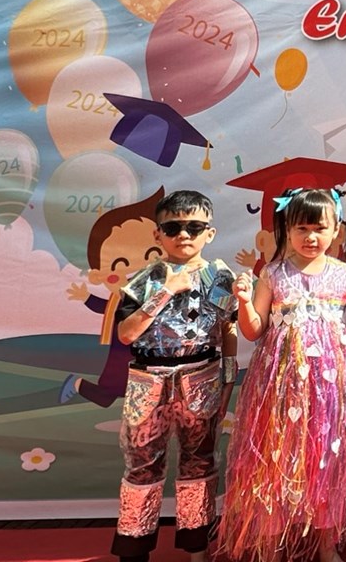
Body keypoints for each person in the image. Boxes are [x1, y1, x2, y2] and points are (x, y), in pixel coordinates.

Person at [221, 187, 346, 562]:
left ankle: (327, 545)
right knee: (276, 458)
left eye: (319, 228)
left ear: (336, 231)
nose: (310, 237)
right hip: (279, 388)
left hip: (330, 390)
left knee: (327, 456)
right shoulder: (273, 274)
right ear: (287, 229)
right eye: (302, 228)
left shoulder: (344, 273)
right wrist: (244, 302)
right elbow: (253, 330)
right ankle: (273, 543)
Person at [110, 190, 239, 562]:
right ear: (158, 234)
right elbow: (126, 334)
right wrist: (165, 291)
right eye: (173, 227)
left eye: (194, 227)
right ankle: (133, 551)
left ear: (209, 233)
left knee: (199, 461)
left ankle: (197, 549)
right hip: (149, 379)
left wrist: (228, 379)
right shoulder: (142, 280)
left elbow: (228, 329)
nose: (184, 234)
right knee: (142, 465)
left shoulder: (220, 276)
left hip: (202, 377)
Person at [60, 187, 165, 407]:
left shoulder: (166, 285)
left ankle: (82, 386)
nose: (136, 271)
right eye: (120, 264)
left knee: (141, 392)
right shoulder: (122, 298)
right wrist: (86, 297)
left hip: (151, 348)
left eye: (152, 255)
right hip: (122, 346)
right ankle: (77, 384)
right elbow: (108, 307)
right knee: (110, 391)